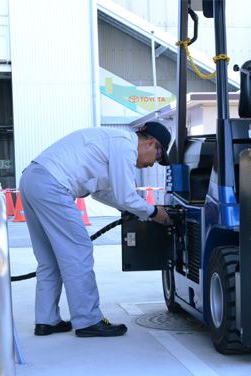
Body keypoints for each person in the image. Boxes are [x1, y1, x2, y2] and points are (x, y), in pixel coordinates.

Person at [19, 122, 173, 338]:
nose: (152, 165)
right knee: (78, 251)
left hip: (32, 179)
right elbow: (125, 196)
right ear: (150, 143)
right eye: (157, 158)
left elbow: (102, 193)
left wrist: (136, 210)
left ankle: (47, 320)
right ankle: (88, 320)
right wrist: (154, 212)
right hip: (53, 186)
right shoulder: (125, 146)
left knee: (49, 259)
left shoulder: (113, 142)